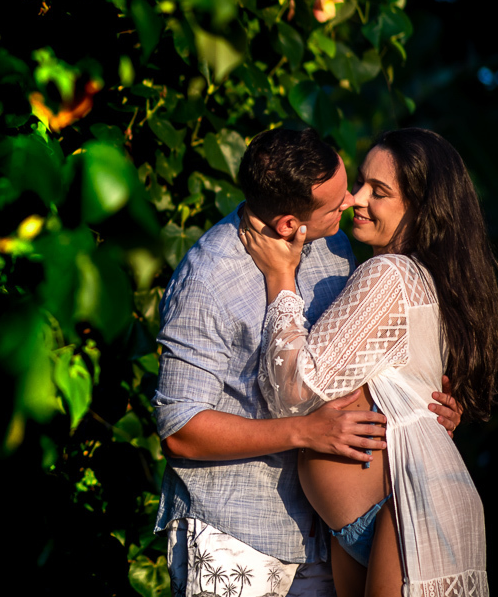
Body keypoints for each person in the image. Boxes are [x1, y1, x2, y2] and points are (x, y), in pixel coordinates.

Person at [153, 128, 462, 597]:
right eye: (337, 200)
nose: (352, 203)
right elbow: (179, 430)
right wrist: (303, 432)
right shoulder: (209, 278)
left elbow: (350, 355)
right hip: (238, 534)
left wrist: (422, 405)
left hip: (321, 536)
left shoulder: (334, 245)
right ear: (287, 225)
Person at [241, 128, 498, 597]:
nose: (355, 199)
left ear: (422, 209)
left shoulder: (391, 272)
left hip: (405, 501)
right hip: (383, 508)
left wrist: (280, 276)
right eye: (360, 182)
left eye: (378, 192)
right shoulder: (417, 276)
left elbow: (293, 391)